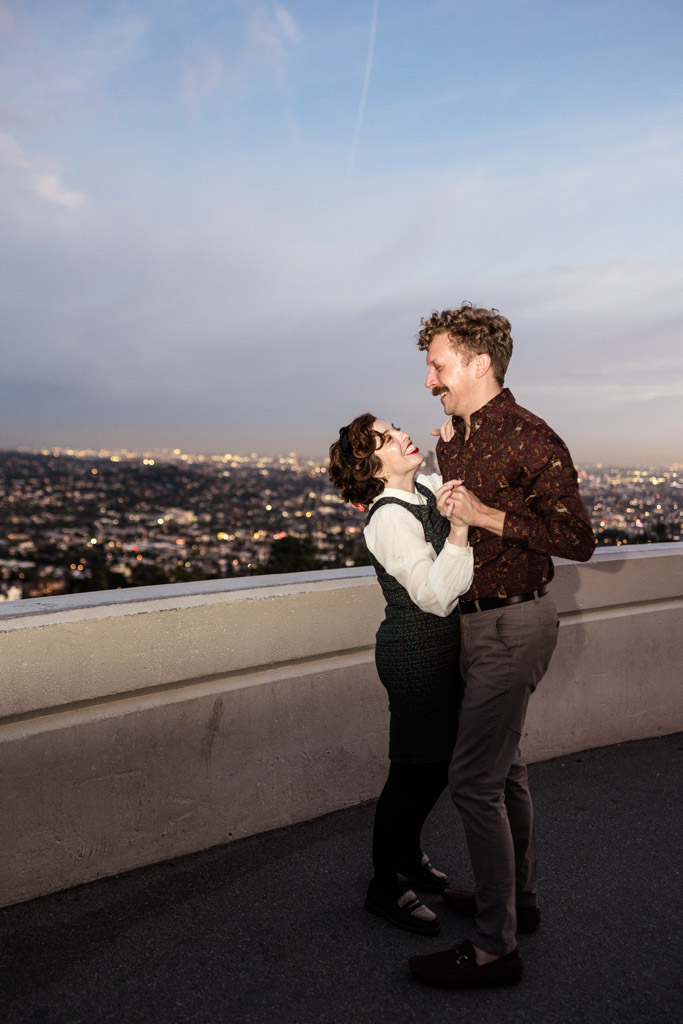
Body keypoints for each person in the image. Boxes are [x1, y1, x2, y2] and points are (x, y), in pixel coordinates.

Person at [407, 302, 595, 988]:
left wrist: (485, 514)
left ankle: (494, 947)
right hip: (473, 619)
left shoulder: (530, 437)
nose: (429, 378)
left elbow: (578, 541)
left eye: (438, 364)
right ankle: (517, 901)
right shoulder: (454, 436)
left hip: (515, 623)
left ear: (478, 363)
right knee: (505, 768)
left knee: (473, 781)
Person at [328, 414, 474, 935]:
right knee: (410, 775)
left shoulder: (423, 489)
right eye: (386, 440)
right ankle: (383, 886)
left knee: (434, 767)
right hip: (416, 656)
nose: (402, 436)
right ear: (372, 468)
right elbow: (434, 597)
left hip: (441, 654)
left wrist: (459, 444)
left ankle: (408, 858)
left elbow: (454, 485)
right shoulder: (389, 517)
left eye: (393, 428)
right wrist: (458, 530)